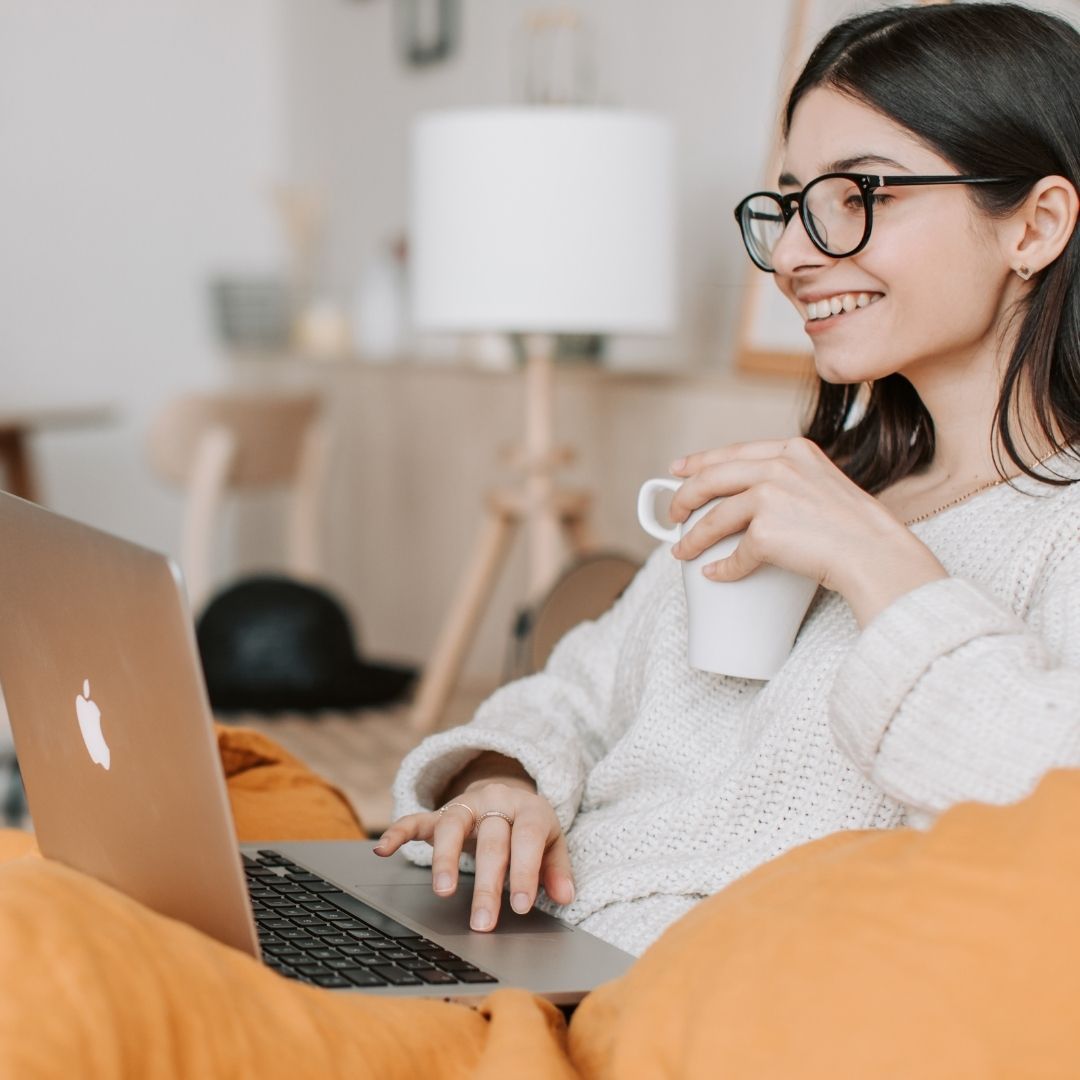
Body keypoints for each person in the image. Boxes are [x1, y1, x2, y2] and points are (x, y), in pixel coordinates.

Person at [377, 2, 1080, 958]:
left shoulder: (1046, 528)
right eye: (792, 204)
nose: (792, 255)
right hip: (526, 941)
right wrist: (503, 783)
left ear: (1035, 226)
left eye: (859, 194)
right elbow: (573, 694)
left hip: (689, 1002)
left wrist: (879, 565)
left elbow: (1049, 795)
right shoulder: (811, 484)